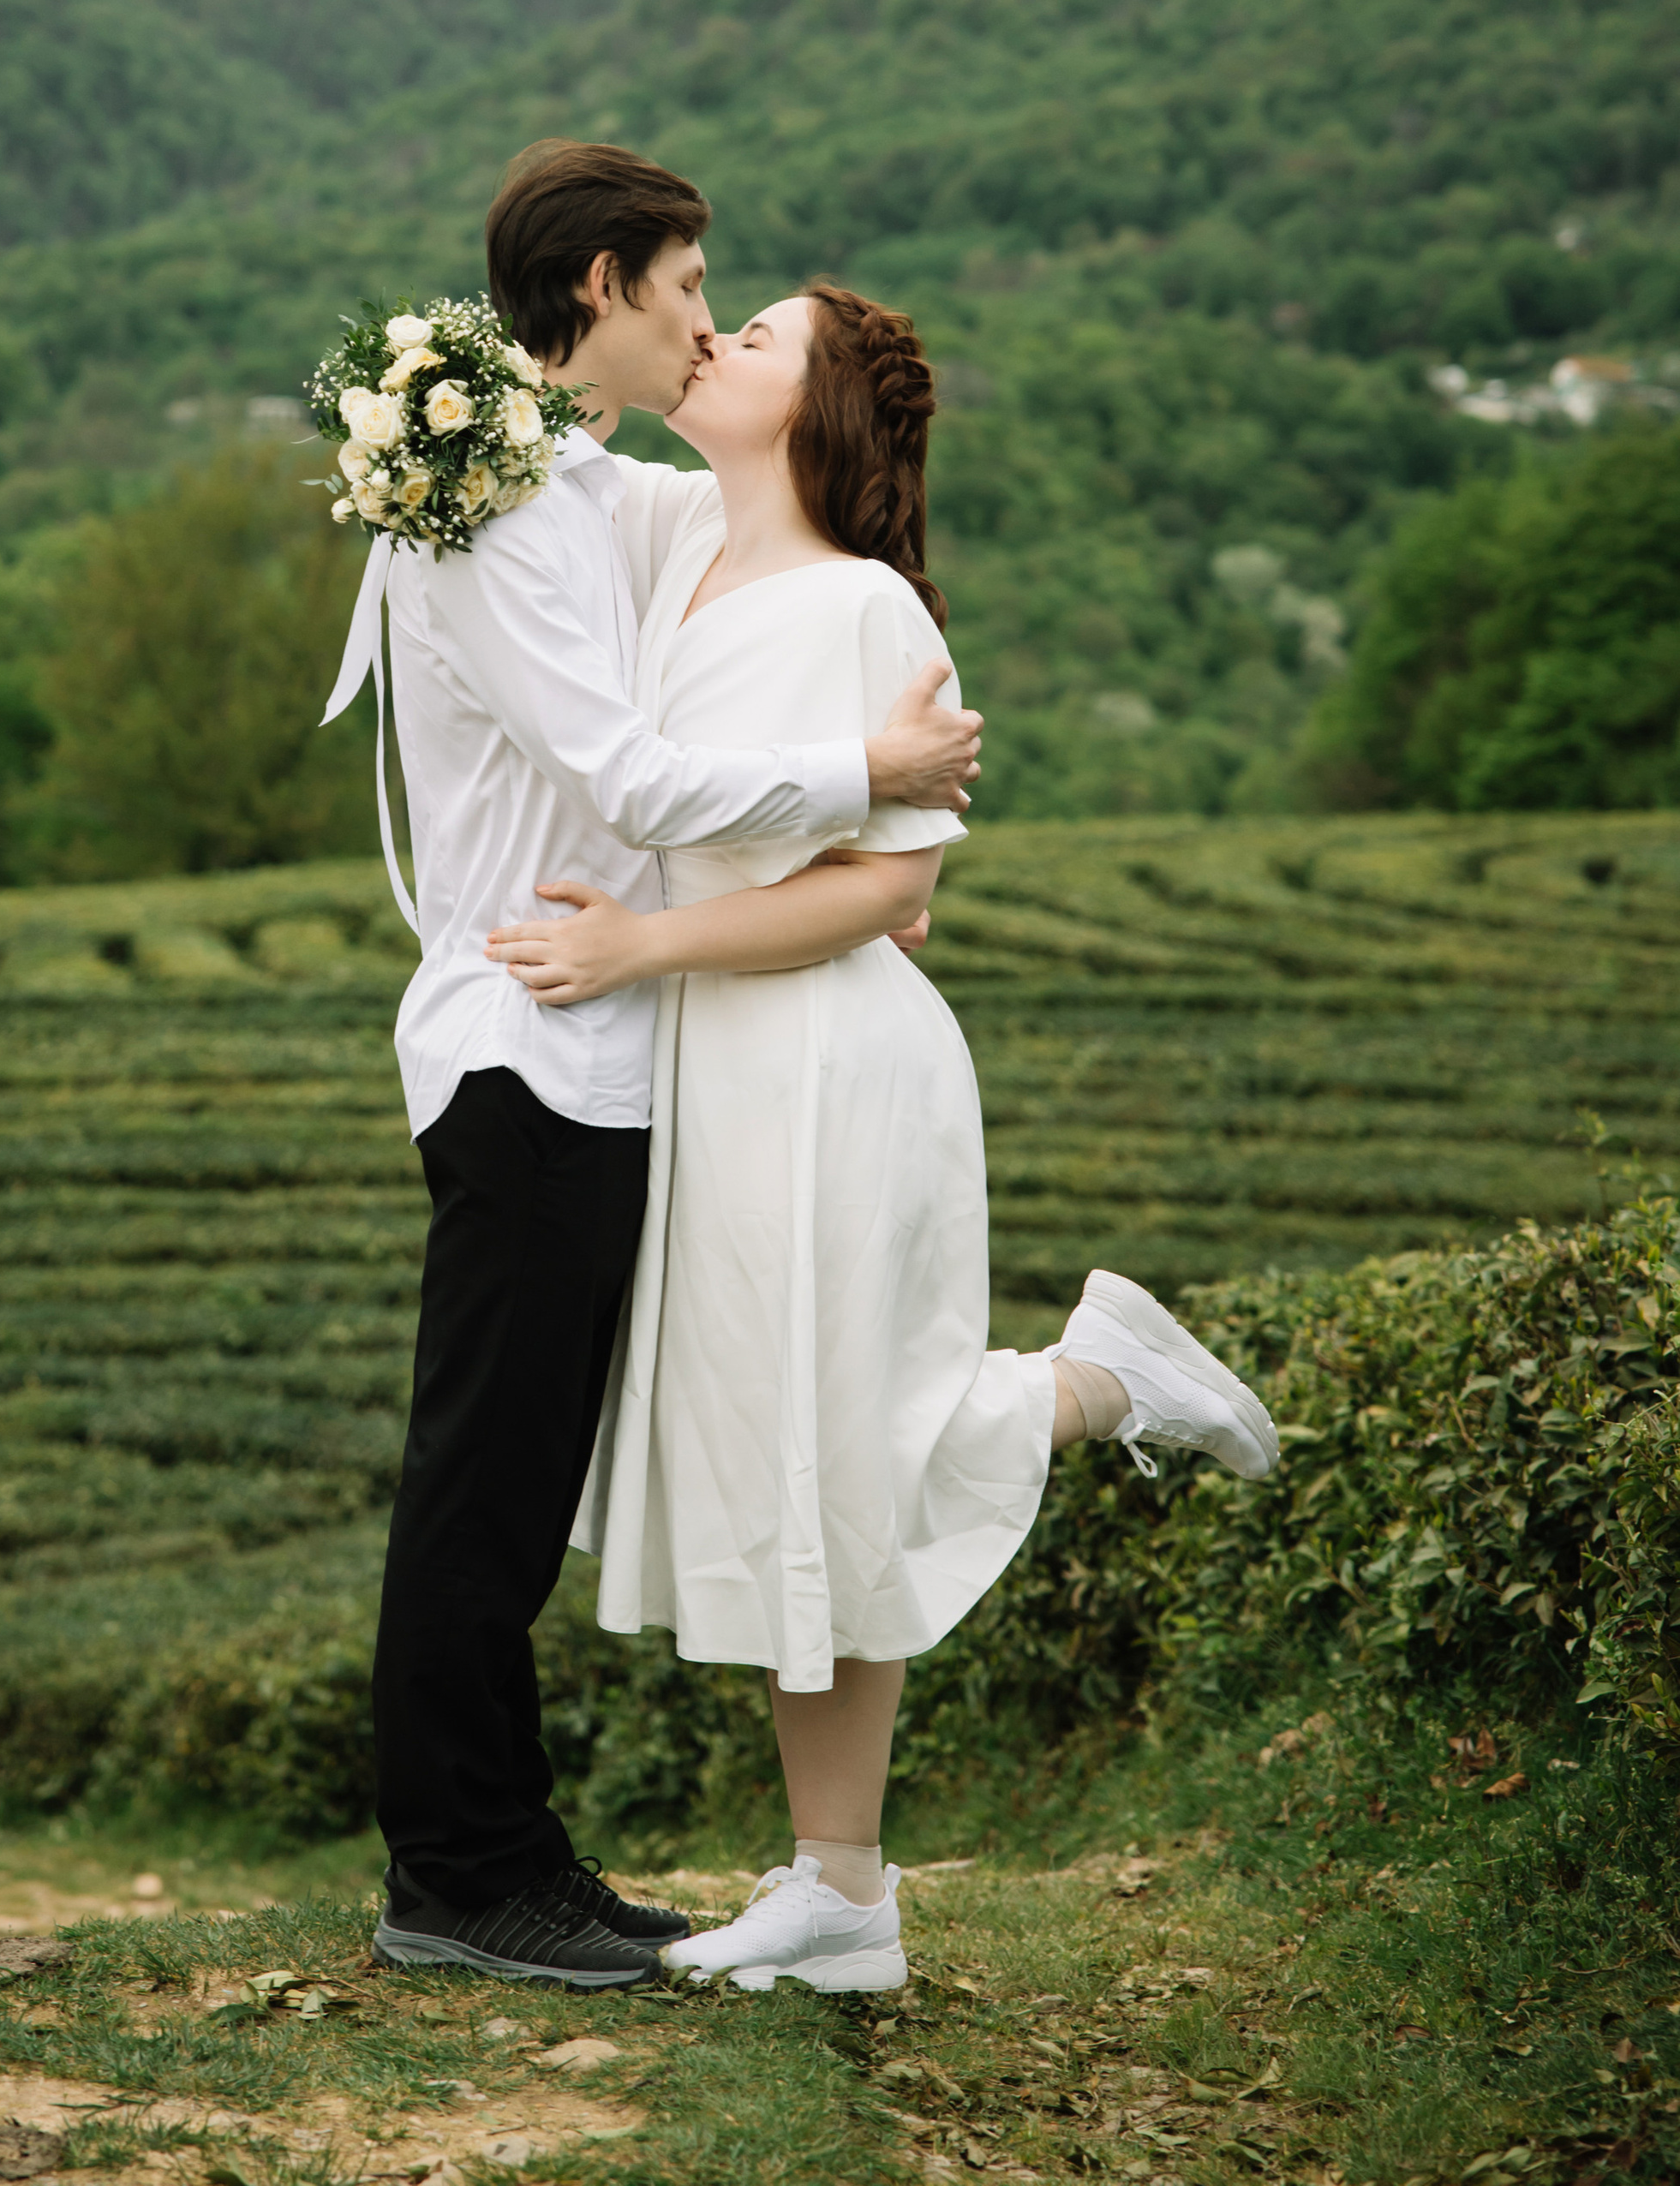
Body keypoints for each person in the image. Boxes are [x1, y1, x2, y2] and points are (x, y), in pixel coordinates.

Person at [489, 281, 1278, 1998]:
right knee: (792, 1464)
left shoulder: (862, 611)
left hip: (831, 1066)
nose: (715, 343)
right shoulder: (673, 561)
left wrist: (638, 944)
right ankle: (838, 1894)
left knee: (842, 1442)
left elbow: (891, 890)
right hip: (718, 1064)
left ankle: (1096, 1386)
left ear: (817, 411)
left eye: (755, 337)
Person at [353, 145, 989, 1991]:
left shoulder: (578, 489)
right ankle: (462, 1872)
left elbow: (744, 555)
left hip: (618, 1051)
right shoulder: (481, 504)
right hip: (530, 1042)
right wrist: (867, 787)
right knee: (482, 1479)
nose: (709, 318)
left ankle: (506, 1854)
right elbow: (631, 785)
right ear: (612, 285)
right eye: (695, 286)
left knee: (514, 1475)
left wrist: (861, 882)